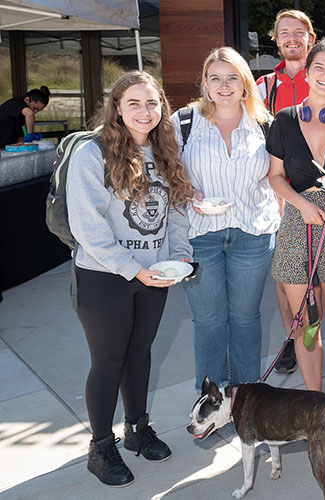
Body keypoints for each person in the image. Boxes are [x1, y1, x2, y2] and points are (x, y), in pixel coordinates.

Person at [67, 71, 192, 486]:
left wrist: (181, 257)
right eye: (134, 103)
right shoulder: (93, 153)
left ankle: (137, 429)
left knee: (140, 353)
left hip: (153, 274)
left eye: (152, 103)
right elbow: (88, 227)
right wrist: (135, 269)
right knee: (108, 361)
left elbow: (175, 212)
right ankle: (101, 447)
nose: (144, 111)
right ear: (117, 107)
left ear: (162, 107)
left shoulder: (165, 150)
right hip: (104, 278)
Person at [256, 9, 325, 375]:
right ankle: (313, 405)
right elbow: (275, 176)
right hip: (297, 222)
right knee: (305, 325)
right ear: (307, 73)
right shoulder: (284, 120)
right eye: (319, 68)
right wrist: (301, 204)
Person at [176, 47, 279, 392]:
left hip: (252, 234)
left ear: (245, 84)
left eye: (232, 77)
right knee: (208, 321)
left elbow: (277, 177)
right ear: (205, 83)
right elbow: (167, 172)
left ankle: (246, 399)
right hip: (199, 234)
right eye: (216, 78)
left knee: (246, 319)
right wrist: (190, 193)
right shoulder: (184, 122)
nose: (224, 85)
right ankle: (210, 399)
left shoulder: (265, 125)